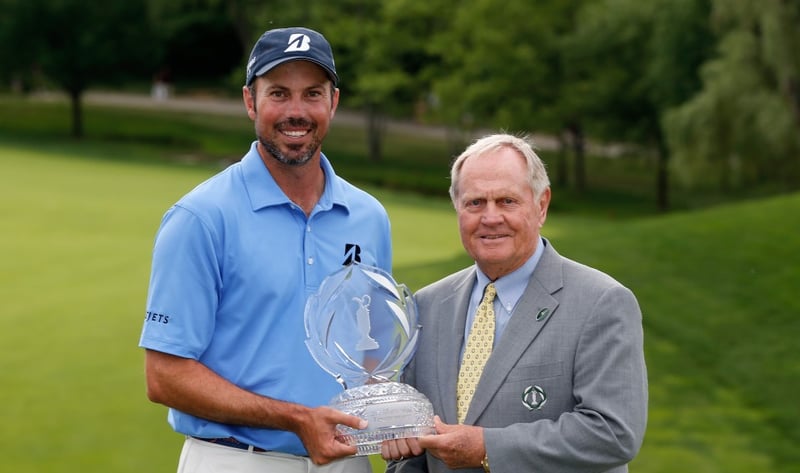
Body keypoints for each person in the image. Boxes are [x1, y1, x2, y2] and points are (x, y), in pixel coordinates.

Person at [139, 26, 392, 473]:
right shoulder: (200, 217)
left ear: (333, 102)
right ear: (250, 101)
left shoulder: (368, 217)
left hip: (345, 461)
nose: (297, 111)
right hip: (234, 459)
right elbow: (165, 376)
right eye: (278, 93)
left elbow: (376, 355)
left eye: (312, 93)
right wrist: (297, 420)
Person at [382, 134, 647, 472]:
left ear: (541, 205)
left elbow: (613, 432)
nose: (490, 217)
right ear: (457, 208)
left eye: (507, 201)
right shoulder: (429, 305)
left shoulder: (601, 303)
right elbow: (414, 453)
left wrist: (487, 449)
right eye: (475, 203)